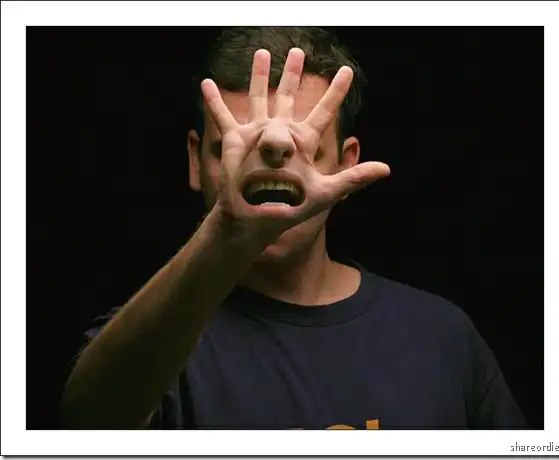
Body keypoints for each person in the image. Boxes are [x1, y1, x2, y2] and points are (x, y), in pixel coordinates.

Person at [62, 27, 526, 430]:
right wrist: (225, 231)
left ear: (345, 164)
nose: (270, 164)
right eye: (233, 149)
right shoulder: (153, 339)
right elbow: (88, 424)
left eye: (306, 149)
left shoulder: (440, 336)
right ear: (196, 161)